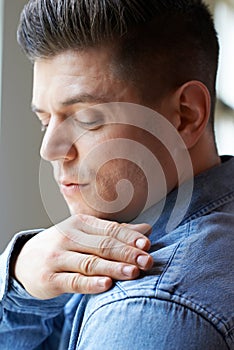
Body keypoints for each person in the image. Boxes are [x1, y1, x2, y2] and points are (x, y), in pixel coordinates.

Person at [0, 0, 233, 349]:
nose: (49, 150)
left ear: (185, 115)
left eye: (86, 119)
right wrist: (19, 281)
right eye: (45, 120)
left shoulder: (148, 312)